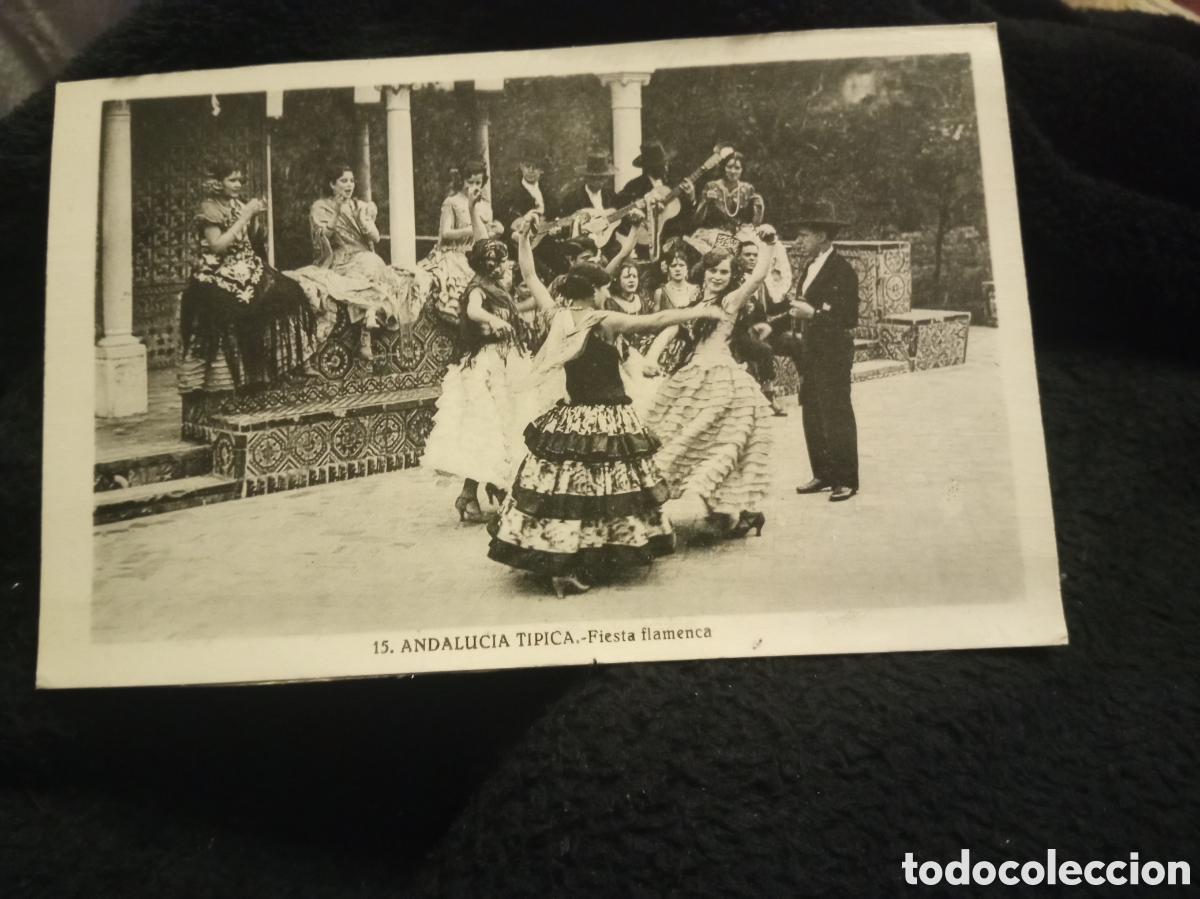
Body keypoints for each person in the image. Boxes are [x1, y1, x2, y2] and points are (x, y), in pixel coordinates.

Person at [487, 218, 725, 599]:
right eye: (603, 287)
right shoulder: (603, 321)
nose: (606, 292)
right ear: (595, 290)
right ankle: (584, 560)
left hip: (570, 414)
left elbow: (530, 274)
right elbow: (657, 320)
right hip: (607, 417)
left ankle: (566, 560)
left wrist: (524, 240)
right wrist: (701, 313)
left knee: (568, 492)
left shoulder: (557, 315)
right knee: (602, 491)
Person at [642, 226, 780, 538]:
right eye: (712, 270)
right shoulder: (694, 299)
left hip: (721, 377)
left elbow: (757, 277)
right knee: (678, 436)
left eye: (723, 272)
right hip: (691, 376)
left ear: (731, 276)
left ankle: (744, 509)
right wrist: (651, 357)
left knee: (722, 442)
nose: (717, 276)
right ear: (702, 272)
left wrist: (767, 245)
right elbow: (671, 328)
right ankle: (734, 508)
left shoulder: (730, 300)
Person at [421, 237, 537, 523]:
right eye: (498, 262)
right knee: (487, 429)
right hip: (486, 365)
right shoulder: (477, 289)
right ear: (489, 265)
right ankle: (477, 493)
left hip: (505, 361)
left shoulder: (498, 290)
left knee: (504, 428)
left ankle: (485, 490)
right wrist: (494, 321)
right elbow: (473, 311)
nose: (503, 266)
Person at [178, 161, 317, 394]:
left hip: (247, 264)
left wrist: (254, 218)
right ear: (217, 183)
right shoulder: (209, 209)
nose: (238, 185)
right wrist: (244, 216)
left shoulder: (238, 204)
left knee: (289, 290)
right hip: (217, 268)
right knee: (232, 304)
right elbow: (217, 246)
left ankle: (288, 364)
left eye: (240, 180)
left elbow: (250, 240)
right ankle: (230, 378)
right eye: (232, 180)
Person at [780, 201, 860, 502]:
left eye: (803, 236)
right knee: (812, 410)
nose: (798, 242)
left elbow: (848, 319)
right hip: (811, 351)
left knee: (836, 412)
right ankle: (823, 473)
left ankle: (847, 479)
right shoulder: (810, 266)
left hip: (834, 352)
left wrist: (812, 314)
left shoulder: (843, 271)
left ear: (823, 235)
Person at [306, 163, 423, 360]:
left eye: (351, 180)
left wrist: (362, 220)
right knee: (368, 268)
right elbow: (323, 237)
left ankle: (367, 328)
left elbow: (375, 238)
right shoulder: (321, 207)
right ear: (332, 184)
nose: (349, 185)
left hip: (363, 256)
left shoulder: (360, 206)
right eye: (343, 181)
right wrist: (336, 211)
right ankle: (365, 330)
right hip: (339, 259)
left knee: (374, 263)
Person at [419, 160, 502, 325]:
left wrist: (497, 232)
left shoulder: (486, 206)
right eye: (469, 182)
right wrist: (471, 229)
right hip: (455, 254)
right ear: (462, 181)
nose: (474, 186)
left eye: (478, 182)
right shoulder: (452, 202)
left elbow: (484, 238)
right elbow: (446, 233)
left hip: (477, 254)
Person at [730, 237, 793, 417]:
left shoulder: (762, 281)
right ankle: (769, 395)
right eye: (747, 255)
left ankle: (809, 388)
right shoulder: (735, 281)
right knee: (764, 350)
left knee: (795, 342)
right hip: (741, 333)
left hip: (762, 329)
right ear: (738, 257)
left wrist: (789, 303)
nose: (751, 258)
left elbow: (769, 308)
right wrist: (754, 326)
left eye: (755, 255)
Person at [614, 140, 693, 253]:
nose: (666, 169)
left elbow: (685, 214)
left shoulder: (672, 184)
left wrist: (691, 198)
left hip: (671, 238)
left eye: (666, 164)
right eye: (660, 165)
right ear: (648, 167)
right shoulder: (634, 186)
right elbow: (620, 209)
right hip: (645, 241)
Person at [691, 150, 764, 237]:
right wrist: (706, 201)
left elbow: (756, 222)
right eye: (729, 167)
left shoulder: (747, 189)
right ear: (723, 168)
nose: (733, 171)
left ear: (742, 170)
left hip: (740, 234)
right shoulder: (711, 186)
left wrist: (759, 207)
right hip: (714, 234)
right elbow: (697, 220)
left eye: (737, 168)